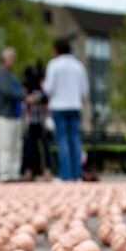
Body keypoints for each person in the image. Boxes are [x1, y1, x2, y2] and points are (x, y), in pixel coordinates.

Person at [42, 38, 89, 182]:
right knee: (75, 140)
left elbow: (49, 89)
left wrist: (43, 85)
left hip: (59, 106)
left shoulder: (54, 65)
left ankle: (66, 175)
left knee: (62, 141)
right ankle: (77, 175)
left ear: (56, 50)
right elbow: (85, 91)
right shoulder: (78, 66)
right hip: (74, 106)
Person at [0, 48, 25, 182]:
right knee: (5, 145)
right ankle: (5, 173)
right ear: (4, 59)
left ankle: (14, 173)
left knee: (16, 146)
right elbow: (8, 91)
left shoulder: (11, 75)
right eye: (11, 58)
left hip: (15, 115)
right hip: (4, 115)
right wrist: (24, 96)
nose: (13, 61)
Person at [21, 64, 51, 180]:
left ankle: (46, 171)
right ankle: (29, 171)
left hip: (41, 122)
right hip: (31, 123)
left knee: (45, 148)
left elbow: (44, 100)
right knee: (29, 148)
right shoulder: (26, 91)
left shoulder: (41, 90)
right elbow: (26, 102)